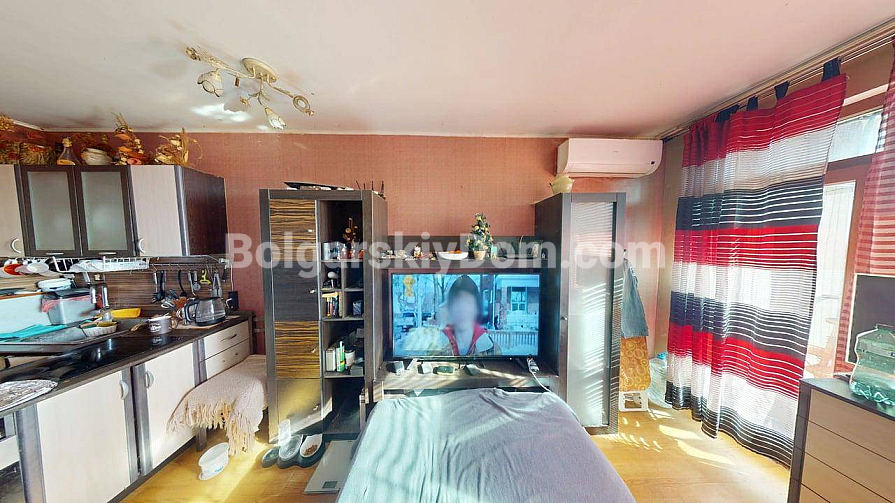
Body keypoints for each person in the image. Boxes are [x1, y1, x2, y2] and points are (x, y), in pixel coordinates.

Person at [439, 275, 501, 356]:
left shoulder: (493, 351)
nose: (462, 309)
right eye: (458, 302)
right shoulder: (436, 347)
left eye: (468, 302)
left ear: (477, 308)